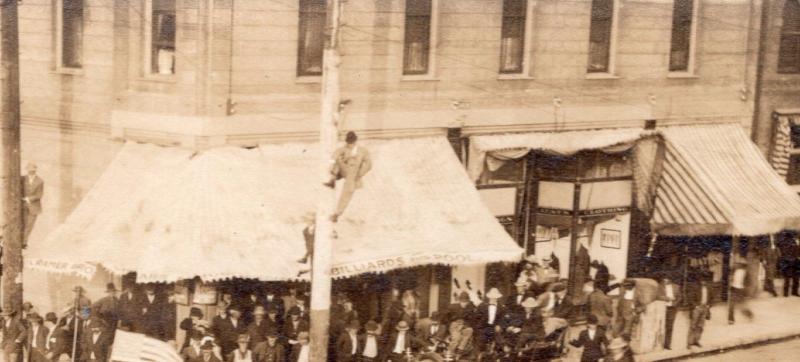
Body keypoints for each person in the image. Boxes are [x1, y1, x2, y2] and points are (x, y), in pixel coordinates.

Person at [324, 131, 372, 222]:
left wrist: (360, 173)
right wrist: (331, 164)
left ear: (355, 141)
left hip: (354, 174)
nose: (350, 144)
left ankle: (337, 214)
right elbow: (335, 155)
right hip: (345, 170)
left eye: (351, 142)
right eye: (348, 142)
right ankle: (332, 180)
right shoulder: (344, 149)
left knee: (347, 193)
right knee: (338, 159)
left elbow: (369, 165)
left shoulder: (363, 151)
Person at [21, 162, 44, 245]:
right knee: (22, 224)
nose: (31, 172)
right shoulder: (22, 179)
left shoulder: (40, 181)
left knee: (29, 225)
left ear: (35, 170)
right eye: (29, 170)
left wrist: (28, 199)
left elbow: (39, 195)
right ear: (27, 170)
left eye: (33, 170)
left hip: (34, 207)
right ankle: (21, 242)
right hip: (22, 205)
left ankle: (24, 242)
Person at [657, 276, 681, 350]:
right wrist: (668, 298)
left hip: (672, 309)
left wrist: (675, 303)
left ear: (670, 279)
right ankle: (659, 345)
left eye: (667, 279)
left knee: (669, 327)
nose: (665, 281)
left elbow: (680, 297)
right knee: (660, 326)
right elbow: (658, 296)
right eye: (664, 280)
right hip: (663, 308)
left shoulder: (676, 287)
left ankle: (667, 344)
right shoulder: (660, 286)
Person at [687, 277, 711, 349]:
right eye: (702, 280)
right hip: (697, 308)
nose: (703, 282)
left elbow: (712, 298)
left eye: (705, 281)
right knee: (693, 325)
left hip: (705, 308)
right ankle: (689, 343)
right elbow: (690, 298)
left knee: (701, 326)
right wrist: (696, 306)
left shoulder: (709, 288)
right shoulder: (695, 288)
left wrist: (709, 305)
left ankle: (696, 341)